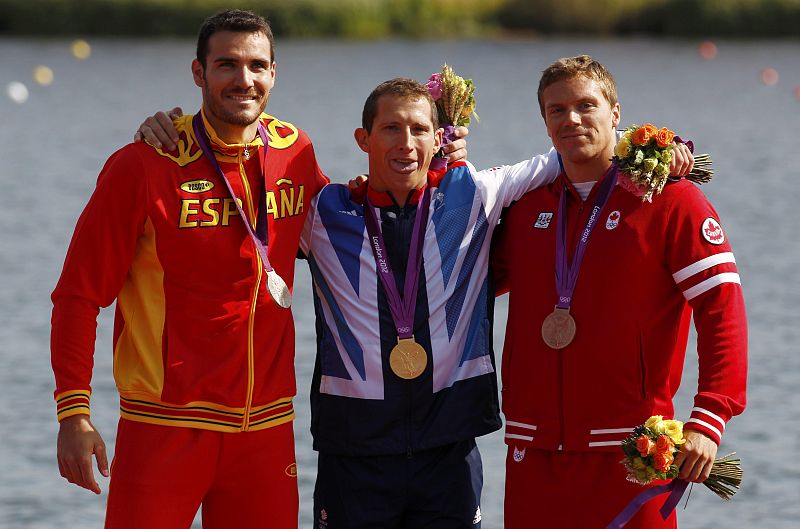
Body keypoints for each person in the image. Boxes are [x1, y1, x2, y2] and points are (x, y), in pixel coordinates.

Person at [51, 10, 330, 529]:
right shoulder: (143, 163)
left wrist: (441, 165)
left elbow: (354, 232)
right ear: (198, 73)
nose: (243, 80)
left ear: (274, 72)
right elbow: (77, 295)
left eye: (256, 66)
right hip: (163, 427)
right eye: (226, 65)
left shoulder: (296, 152)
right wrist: (74, 412)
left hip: (265, 430)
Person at [492, 55, 748, 528]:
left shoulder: (669, 198)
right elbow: (454, 283)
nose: (571, 119)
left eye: (586, 106)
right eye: (556, 109)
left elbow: (721, 307)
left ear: (615, 112)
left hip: (634, 453)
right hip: (533, 451)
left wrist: (709, 418)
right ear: (545, 122)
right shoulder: (525, 208)